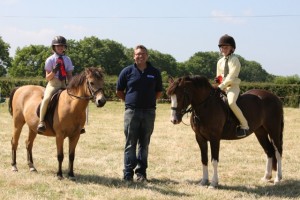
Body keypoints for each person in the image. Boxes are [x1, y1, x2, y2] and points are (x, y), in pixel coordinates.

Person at [116, 45, 163, 182]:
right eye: (137, 54)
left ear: (147, 56)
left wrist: (148, 102)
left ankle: (141, 173)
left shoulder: (154, 72)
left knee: (144, 144)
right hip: (132, 112)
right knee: (130, 143)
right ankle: (128, 174)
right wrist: (130, 102)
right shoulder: (127, 71)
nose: (140, 56)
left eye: (143, 54)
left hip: (149, 112)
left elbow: (159, 92)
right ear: (133, 56)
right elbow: (119, 91)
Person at [37, 36, 74, 134]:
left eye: (62, 46)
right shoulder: (50, 60)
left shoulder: (67, 59)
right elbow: (47, 78)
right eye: (58, 46)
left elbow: (69, 75)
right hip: (53, 84)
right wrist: (54, 71)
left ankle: (76, 124)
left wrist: (71, 85)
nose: (60, 48)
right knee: (46, 99)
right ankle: (41, 122)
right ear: (54, 47)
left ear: (64, 47)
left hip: (64, 84)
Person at [215, 34, 250, 138]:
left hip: (232, 87)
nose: (223, 49)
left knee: (231, 103)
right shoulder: (220, 61)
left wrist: (221, 87)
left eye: (226, 47)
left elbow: (231, 77)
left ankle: (244, 126)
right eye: (222, 47)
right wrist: (217, 82)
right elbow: (219, 75)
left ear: (232, 48)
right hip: (221, 86)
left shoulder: (235, 60)